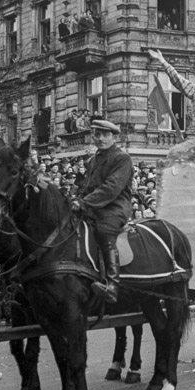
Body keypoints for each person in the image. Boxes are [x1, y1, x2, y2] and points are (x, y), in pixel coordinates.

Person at [73, 120, 133, 303]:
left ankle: (112, 285)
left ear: (114, 137)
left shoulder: (122, 158)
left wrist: (84, 203)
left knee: (104, 231)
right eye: (97, 135)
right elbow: (88, 186)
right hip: (94, 207)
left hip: (115, 207)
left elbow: (111, 188)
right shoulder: (93, 160)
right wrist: (75, 198)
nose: (100, 139)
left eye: (105, 135)